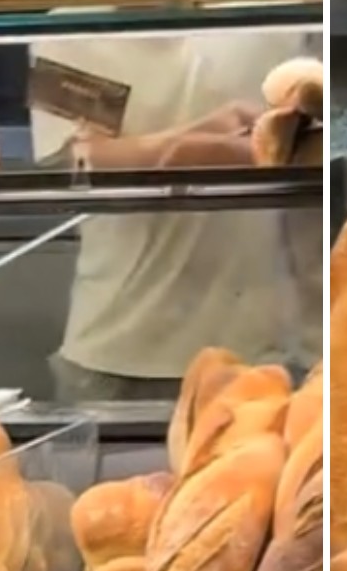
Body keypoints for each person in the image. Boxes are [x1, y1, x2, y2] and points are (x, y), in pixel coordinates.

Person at [30, 31, 322, 404]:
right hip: (121, 347)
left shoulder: (283, 9)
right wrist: (194, 147)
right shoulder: (75, 27)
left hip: (272, 351)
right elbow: (74, 162)